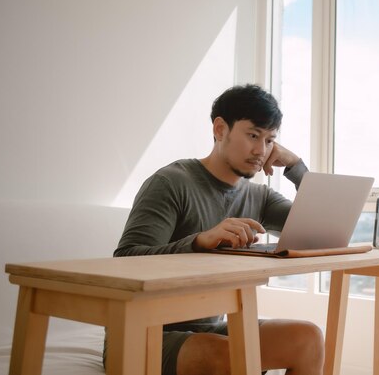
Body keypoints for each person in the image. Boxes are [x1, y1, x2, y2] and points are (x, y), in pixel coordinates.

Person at [108, 84, 325, 375]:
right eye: (253, 135)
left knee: (308, 339)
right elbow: (125, 260)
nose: (261, 150)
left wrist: (296, 166)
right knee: (229, 355)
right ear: (221, 129)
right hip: (145, 334)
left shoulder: (258, 196)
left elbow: (320, 229)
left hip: (213, 329)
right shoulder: (171, 183)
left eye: (270, 140)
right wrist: (198, 242)